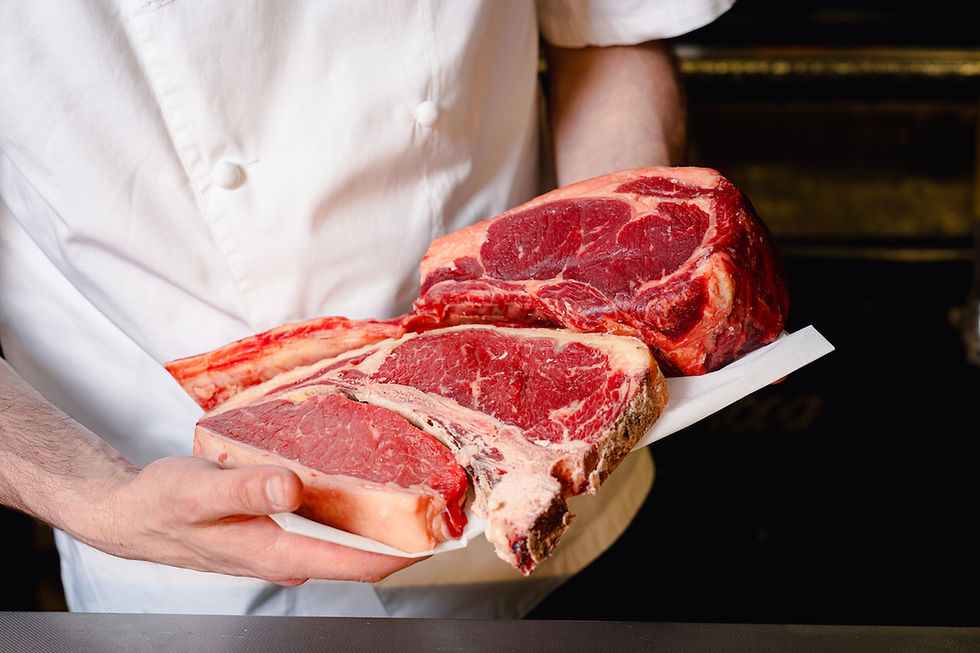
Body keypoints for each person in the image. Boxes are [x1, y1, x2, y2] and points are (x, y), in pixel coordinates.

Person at [0, 1, 734, 617]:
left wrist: (619, 277)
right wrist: (96, 496)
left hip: (556, 501)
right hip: (172, 566)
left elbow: (609, 33)